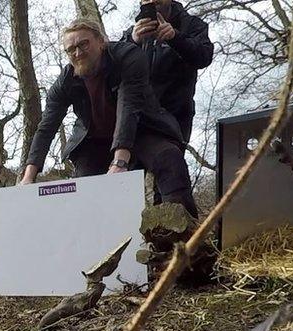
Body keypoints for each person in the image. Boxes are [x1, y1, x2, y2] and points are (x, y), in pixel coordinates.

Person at [19, 18, 198, 217]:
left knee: (169, 158)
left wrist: (120, 162)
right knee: (87, 190)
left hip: (142, 128)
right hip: (95, 142)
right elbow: (46, 128)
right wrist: (28, 177)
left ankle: (185, 235)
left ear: (101, 42)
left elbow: (129, 105)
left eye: (83, 44)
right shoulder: (64, 83)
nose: (78, 53)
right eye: (71, 49)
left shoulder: (128, 56)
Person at [122, 0, 214, 143]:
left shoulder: (192, 24)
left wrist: (175, 38)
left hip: (174, 118)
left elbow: (204, 57)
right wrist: (132, 42)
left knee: (168, 162)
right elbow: (113, 71)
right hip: (136, 119)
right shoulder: (132, 33)